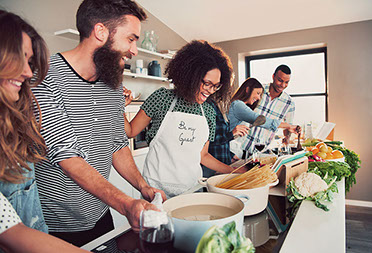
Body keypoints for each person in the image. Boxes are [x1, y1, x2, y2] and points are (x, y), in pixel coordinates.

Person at [31, 0, 165, 247]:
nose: (134, 50)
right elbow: (67, 157)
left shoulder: (112, 83)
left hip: (101, 215)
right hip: (55, 225)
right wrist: (126, 203)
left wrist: (143, 186)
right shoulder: (44, 78)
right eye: (131, 39)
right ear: (101, 32)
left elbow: (117, 144)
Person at [0, 10, 87, 252]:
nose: (28, 72)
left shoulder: (12, 127)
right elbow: (9, 229)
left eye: (29, 61)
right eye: (21, 59)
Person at [124, 40, 246, 198]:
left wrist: (234, 171)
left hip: (191, 190)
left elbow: (204, 156)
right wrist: (122, 107)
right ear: (191, 76)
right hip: (155, 190)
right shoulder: (162, 99)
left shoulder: (208, 111)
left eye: (216, 86)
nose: (210, 90)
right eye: (207, 83)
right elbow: (131, 131)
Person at [241, 65, 298, 156]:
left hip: (262, 152)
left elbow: (288, 126)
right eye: (280, 80)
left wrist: (287, 138)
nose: (283, 85)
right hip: (241, 147)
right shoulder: (258, 91)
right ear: (273, 77)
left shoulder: (289, 103)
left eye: (286, 82)